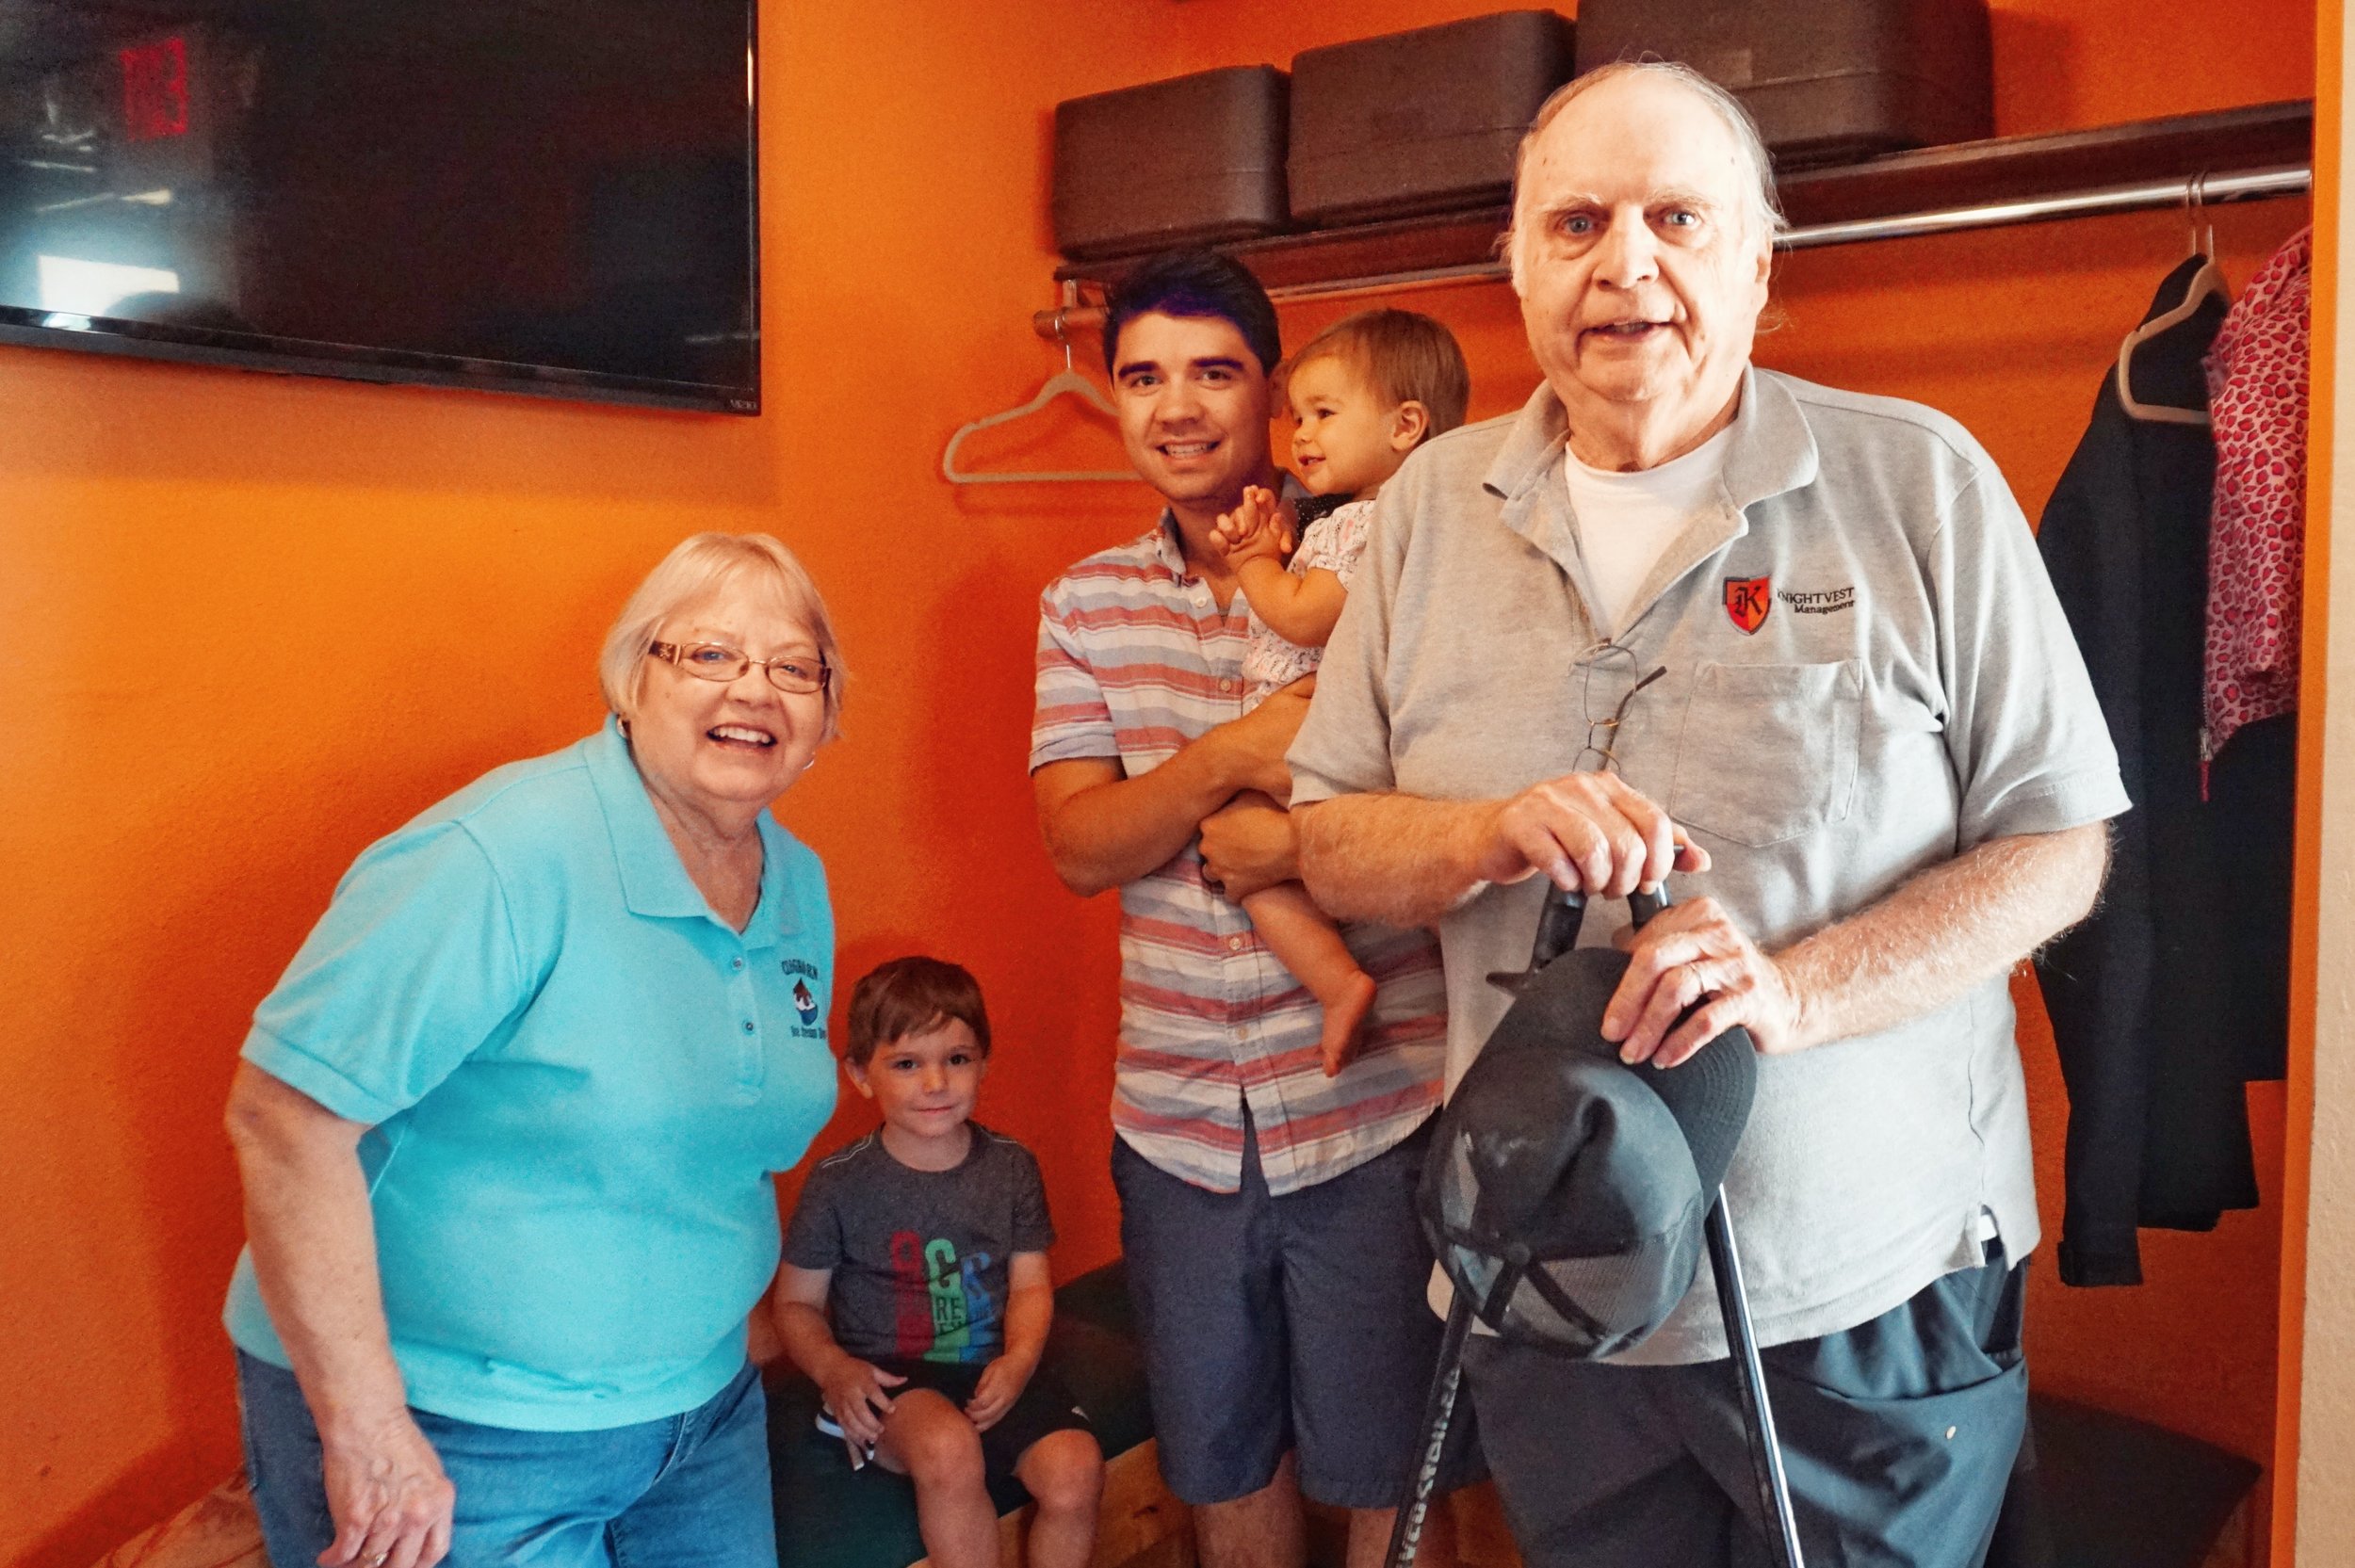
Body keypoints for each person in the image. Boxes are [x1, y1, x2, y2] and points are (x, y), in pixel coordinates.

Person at [1289, 61, 2126, 1568]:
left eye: (1679, 216)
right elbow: (1328, 836)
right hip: (1550, 1282)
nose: (1627, 264)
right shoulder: (1421, 510)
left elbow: (2059, 843)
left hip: (1860, 1296)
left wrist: (1795, 990)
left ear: (1758, 259)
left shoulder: (1919, 481)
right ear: (1521, 265)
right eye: (1577, 222)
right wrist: (1484, 832)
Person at [222, 532, 847, 1568]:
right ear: (631, 676)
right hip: (456, 1434)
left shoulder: (795, 880)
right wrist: (370, 1430)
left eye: (794, 668)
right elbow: (282, 1115)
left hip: (699, 1413)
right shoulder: (500, 856)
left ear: (826, 719)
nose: (756, 690)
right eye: (709, 656)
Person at [1029, 251, 1470, 1568]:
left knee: (1399, 1483)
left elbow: (1459, 806)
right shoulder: (1085, 605)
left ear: (1274, 397)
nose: (1177, 408)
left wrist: (1280, 822)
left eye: (1213, 373)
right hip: (1173, 1130)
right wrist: (1233, 752)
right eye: (1143, 376)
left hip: (1375, 1109)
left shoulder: (1395, 556)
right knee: (1222, 1473)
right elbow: (1079, 844)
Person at [1206, 308, 1470, 1075]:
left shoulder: (1372, 523)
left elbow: (1305, 614)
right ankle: (1343, 975)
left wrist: (1255, 562)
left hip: (1316, 727)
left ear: (1405, 426)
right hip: (1312, 726)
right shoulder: (1376, 517)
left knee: (1239, 853)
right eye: (1297, 417)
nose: (1302, 436)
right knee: (1247, 851)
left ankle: (1337, 981)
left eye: (1325, 413)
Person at [772, 957, 1105, 1568]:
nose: (936, 1083)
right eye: (907, 1063)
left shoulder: (1010, 1167)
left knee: (1075, 1468)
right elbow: (795, 1304)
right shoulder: (839, 1182)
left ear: (983, 1060)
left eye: (956, 1058)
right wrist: (835, 1371)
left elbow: (1031, 1285)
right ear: (861, 1073)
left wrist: (1020, 1358)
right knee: (949, 1448)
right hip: (890, 1377)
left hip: (988, 1364)